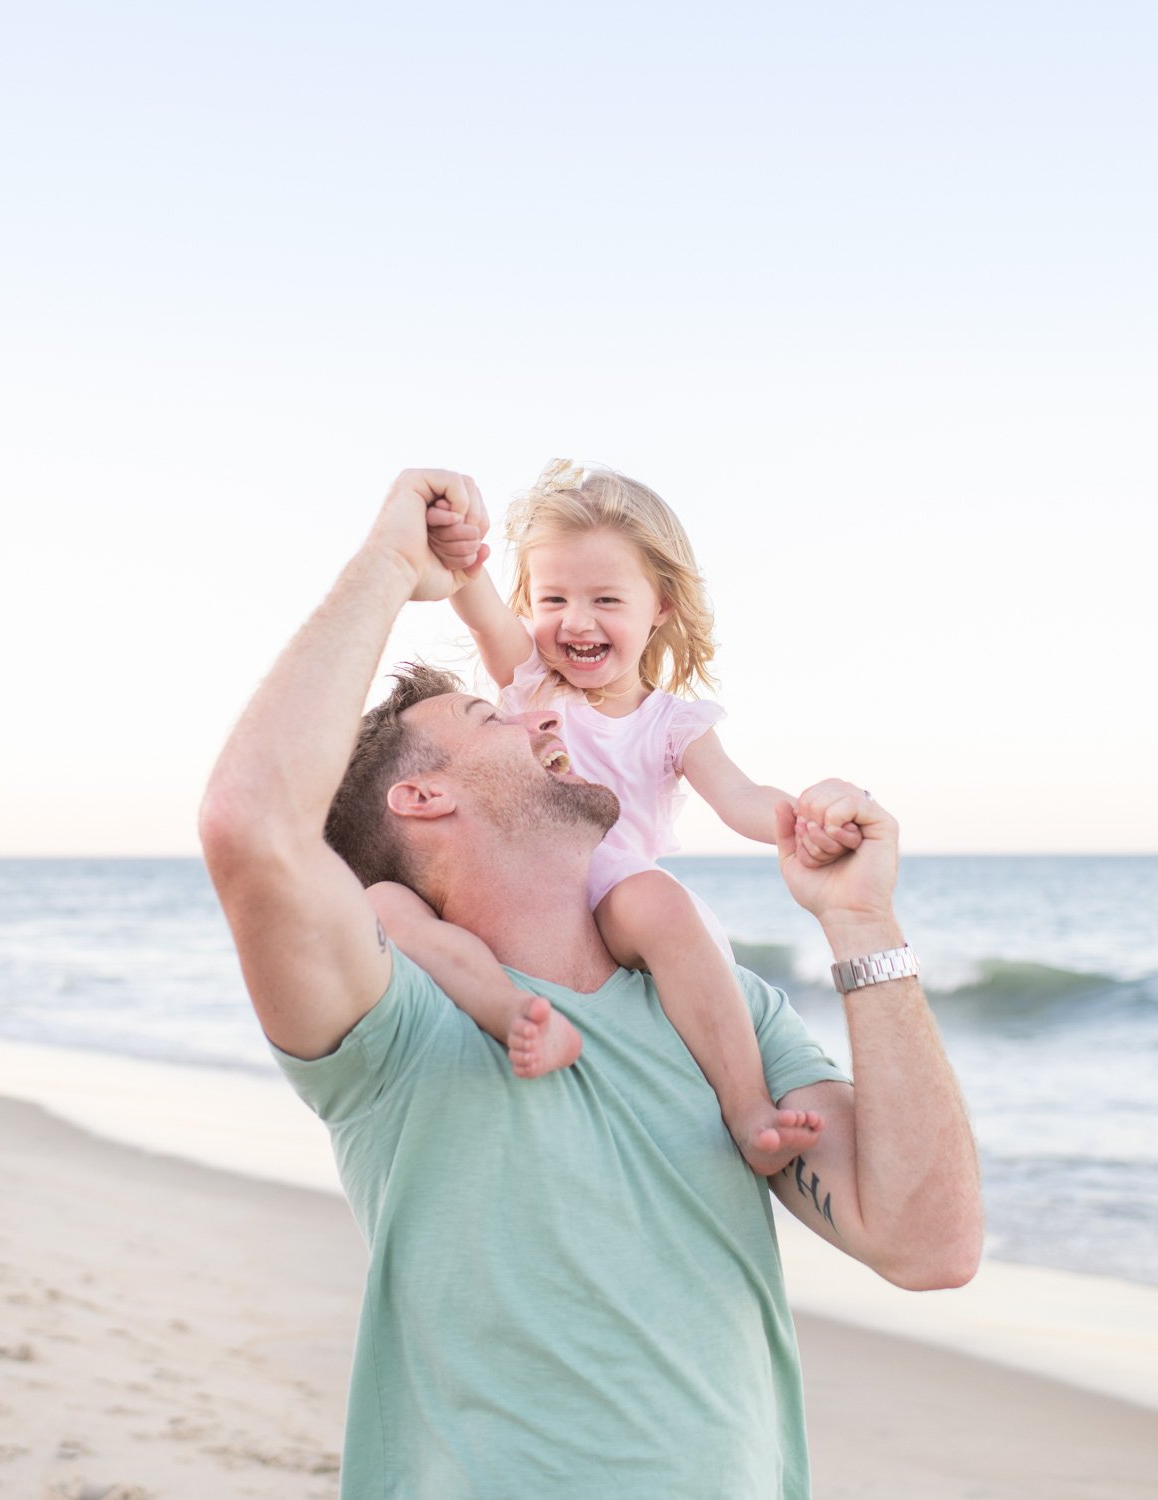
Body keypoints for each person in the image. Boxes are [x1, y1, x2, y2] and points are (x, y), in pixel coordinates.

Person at [199, 468, 982, 1500]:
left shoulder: (720, 1012)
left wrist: (860, 922)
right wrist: (394, 565)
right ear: (424, 794)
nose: (544, 711)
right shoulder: (397, 1021)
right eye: (491, 716)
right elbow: (252, 827)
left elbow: (931, 1248)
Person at [371, 457, 862, 1177]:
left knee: (656, 900)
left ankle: (748, 1107)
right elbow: (474, 600)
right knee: (389, 900)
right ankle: (510, 1013)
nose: (576, 622)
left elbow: (740, 797)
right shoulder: (529, 679)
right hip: (518, 888)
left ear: (659, 605)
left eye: (606, 600)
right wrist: (456, 541)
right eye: (553, 599)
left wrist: (806, 819)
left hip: (609, 897)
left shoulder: (673, 723)